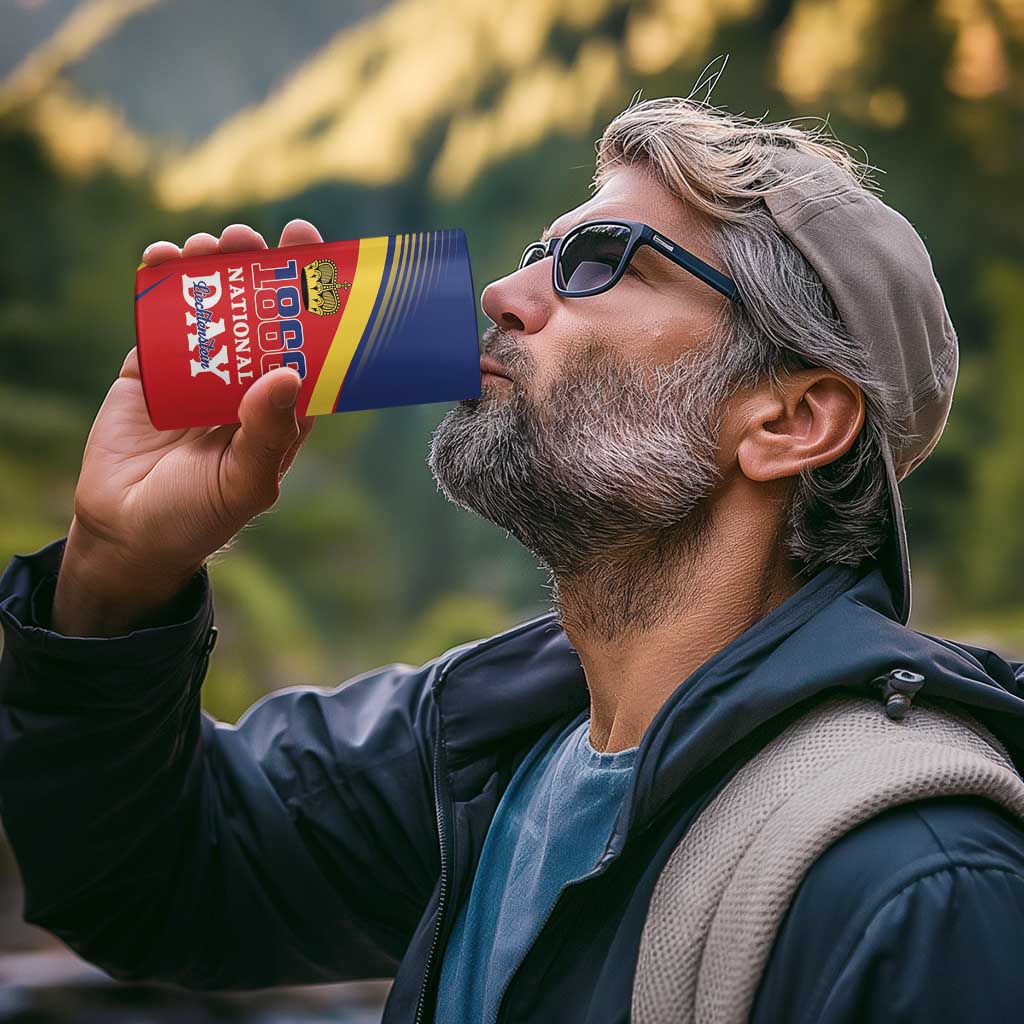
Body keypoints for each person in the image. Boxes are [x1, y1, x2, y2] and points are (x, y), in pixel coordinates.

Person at [2, 95, 1024, 1024]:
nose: (503, 291)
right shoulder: (479, 750)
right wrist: (115, 572)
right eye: (540, 252)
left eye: (600, 261)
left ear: (791, 419)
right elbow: (149, 880)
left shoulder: (918, 884)